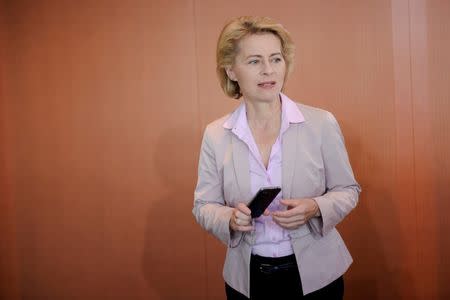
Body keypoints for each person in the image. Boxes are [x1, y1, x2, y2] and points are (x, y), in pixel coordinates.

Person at [193, 16, 361, 300]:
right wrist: (230, 219)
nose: (268, 70)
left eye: (276, 59)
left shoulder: (321, 124)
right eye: (254, 61)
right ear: (231, 71)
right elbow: (204, 206)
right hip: (248, 279)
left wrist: (315, 207)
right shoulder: (215, 135)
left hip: (318, 275)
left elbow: (348, 191)